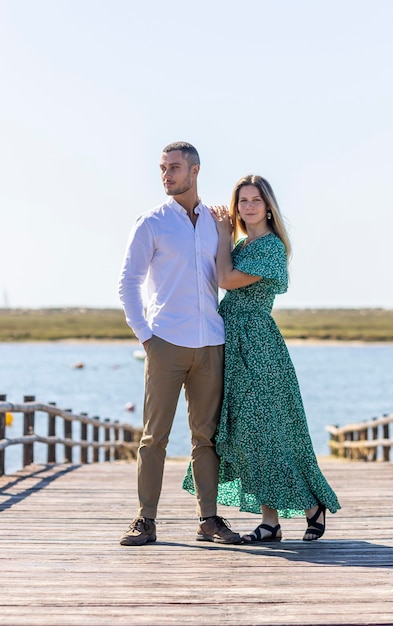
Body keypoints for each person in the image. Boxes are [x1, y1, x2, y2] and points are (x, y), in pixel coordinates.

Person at [183, 174, 341, 542]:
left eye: (255, 200)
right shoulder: (242, 245)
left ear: (268, 206)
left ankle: (310, 505)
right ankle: (270, 523)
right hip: (231, 343)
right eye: (242, 201)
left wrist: (222, 233)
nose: (248, 206)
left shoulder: (268, 248)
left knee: (268, 432)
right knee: (245, 434)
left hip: (257, 346)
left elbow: (224, 278)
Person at [118, 142, 241, 546]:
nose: (166, 175)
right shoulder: (151, 223)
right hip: (166, 342)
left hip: (211, 343)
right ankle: (145, 520)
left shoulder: (217, 222)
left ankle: (208, 519)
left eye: (173, 168)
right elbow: (129, 283)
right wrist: (146, 337)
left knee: (206, 438)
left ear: (195, 171)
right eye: (162, 168)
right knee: (155, 437)